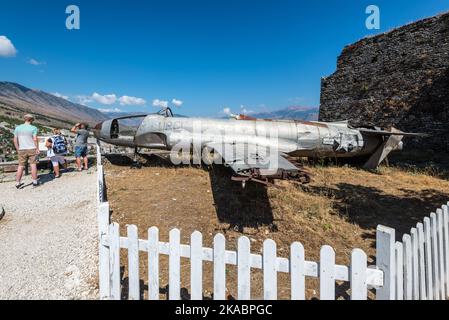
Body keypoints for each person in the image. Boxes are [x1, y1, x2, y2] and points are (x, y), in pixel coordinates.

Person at [13, 114, 40, 188]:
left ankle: (18, 183)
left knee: (21, 166)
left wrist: (18, 149)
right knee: (33, 165)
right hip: (32, 148)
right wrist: (37, 148)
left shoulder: (17, 128)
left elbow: (15, 140)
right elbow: (35, 139)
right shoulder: (34, 128)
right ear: (31, 120)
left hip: (22, 149)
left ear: (24, 119)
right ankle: (35, 182)